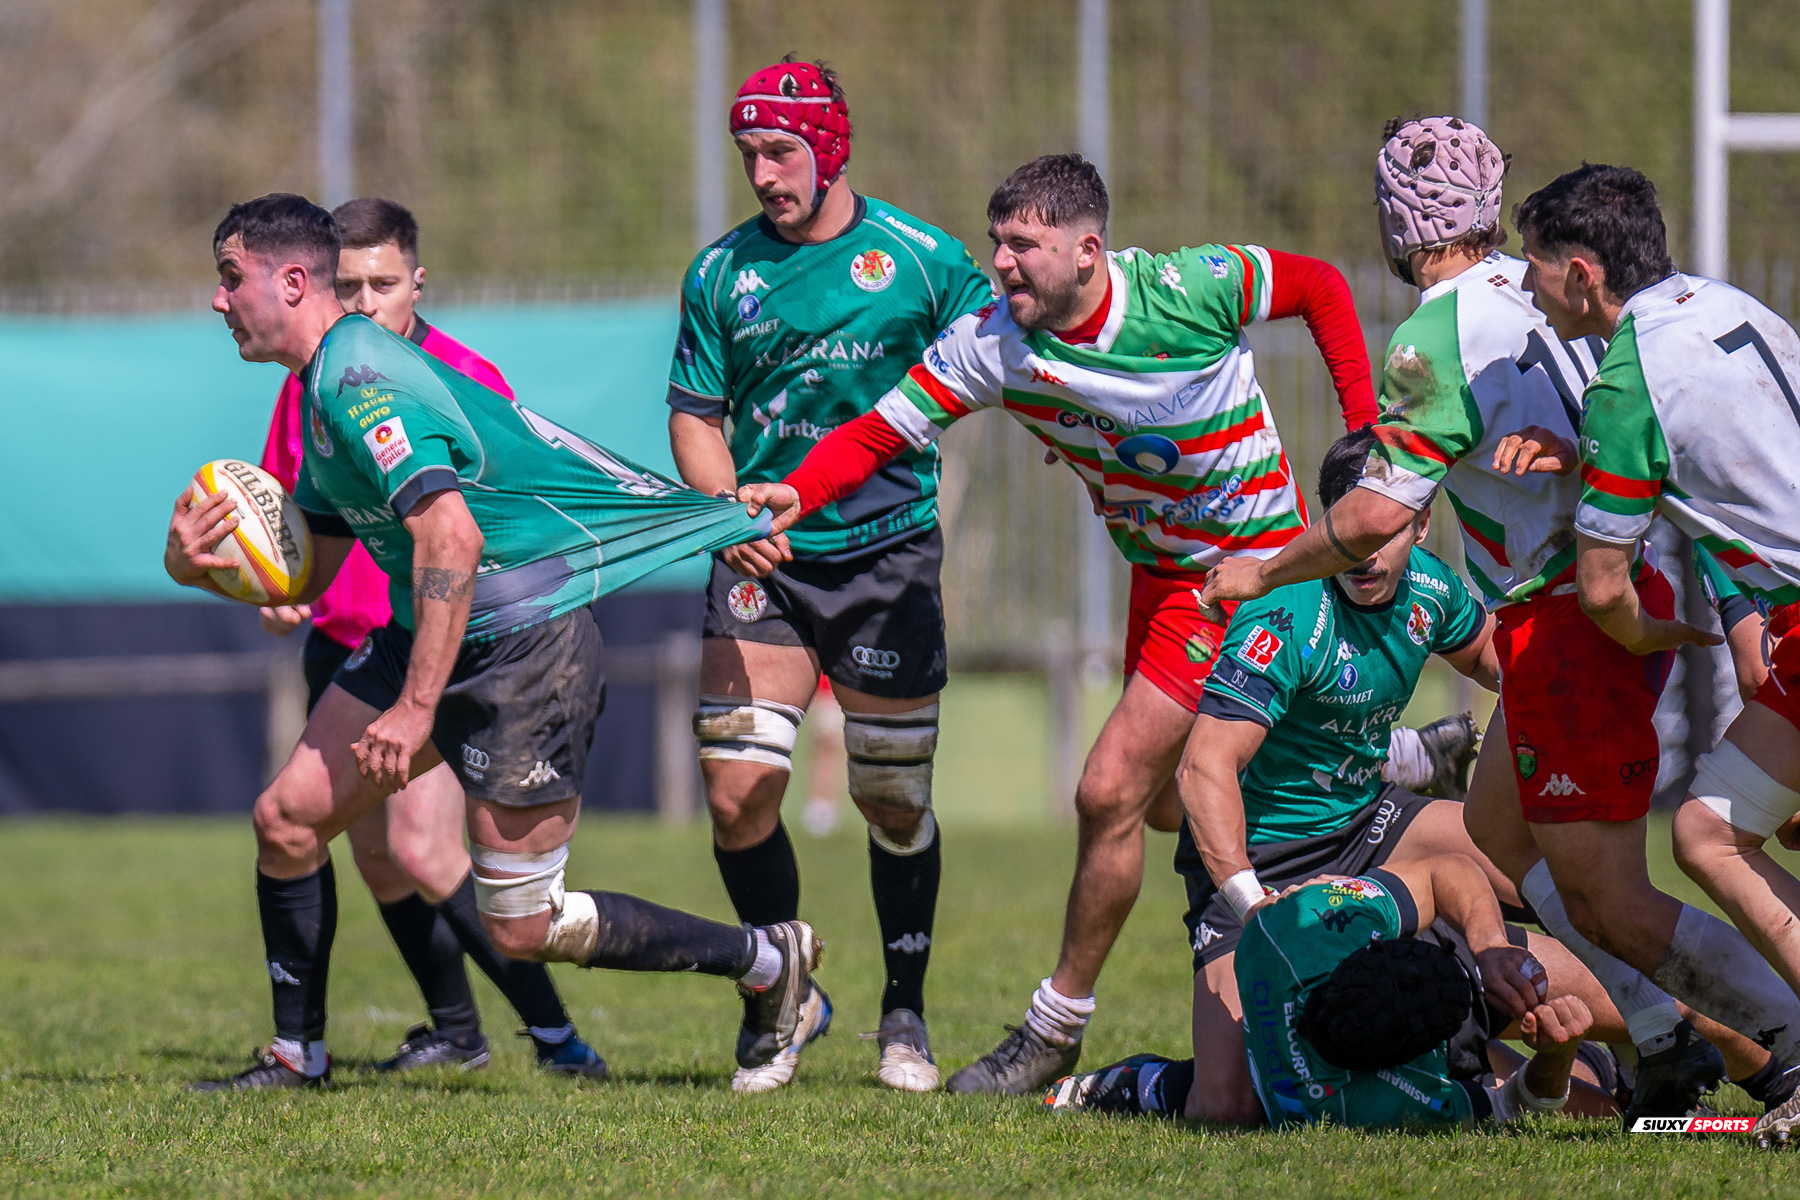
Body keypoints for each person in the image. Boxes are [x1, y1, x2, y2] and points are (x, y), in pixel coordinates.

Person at [738, 150, 1476, 1095]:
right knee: (1171, 808)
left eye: (1024, 247)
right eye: (996, 243)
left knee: (1107, 792)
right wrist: (797, 493)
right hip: (1161, 577)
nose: (1002, 265)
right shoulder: (993, 343)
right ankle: (1395, 761)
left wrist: (1371, 439)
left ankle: (1056, 1024)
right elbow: (882, 431)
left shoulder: (1184, 289)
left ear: (1089, 251)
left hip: (1243, 575)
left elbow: (1323, 287)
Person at [1197, 120, 1800, 1120]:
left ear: (1396, 225)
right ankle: (1662, 1037)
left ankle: (1770, 1057)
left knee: (1622, 888)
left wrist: (1259, 574)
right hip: (1620, 595)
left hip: (1577, 621)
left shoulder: (1438, 331)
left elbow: (1375, 515)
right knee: (1493, 827)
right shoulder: (1593, 299)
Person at [167, 193, 821, 1090]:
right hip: (426, 628)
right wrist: (195, 564)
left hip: (525, 643)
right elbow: (314, 569)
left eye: (227, 278)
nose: (217, 300)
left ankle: (768, 961)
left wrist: (414, 708)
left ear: (288, 280)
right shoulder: (317, 387)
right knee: (287, 821)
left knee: (520, 921)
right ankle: (295, 1054)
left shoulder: (361, 378)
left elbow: (452, 539)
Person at [1046, 432, 1789, 1123]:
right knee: (1231, 1105)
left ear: (1421, 526)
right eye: (1353, 532)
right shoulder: (1281, 615)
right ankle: (1143, 1082)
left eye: (1388, 532)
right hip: (1262, 859)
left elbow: (1523, 675)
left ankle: (1764, 1064)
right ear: (1325, 525)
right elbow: (1205, 768)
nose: (1368, 555)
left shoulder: (1431, 591)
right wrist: (1253, 901)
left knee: (1591, 894)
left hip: (1371, 826)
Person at [667, 57, 994, 1092]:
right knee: (736, 792)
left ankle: (905, 1014)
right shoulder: (720, 273)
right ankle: (783, 996)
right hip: (764, 557)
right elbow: (695, 413)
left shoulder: (921, 259)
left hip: (888, 553)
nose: (763, 173)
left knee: (893, 800)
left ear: (832, 146)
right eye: (749, 154)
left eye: (781, 151)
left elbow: (1011, 352)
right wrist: (726, 512)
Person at [256, 196, 602, 1076]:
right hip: (347, 638)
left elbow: (476, 521)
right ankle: (456, 1030)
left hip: (438, 645)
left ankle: (558, 1038)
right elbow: (295, 513)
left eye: (383, 282)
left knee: (422, 846)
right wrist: (270, 581)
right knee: (368, 850)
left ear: (418, 281)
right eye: (350, 284)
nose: (366, 301)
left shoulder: (456, 374)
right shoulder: (312, 378)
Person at [1497, 163, 1800, 1143]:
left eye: (1535, 267)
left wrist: (1653, 638)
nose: (1528, 288)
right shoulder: (1723, 302)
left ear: (1583, 272)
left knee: (1709, 834)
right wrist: (1591, 451)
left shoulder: (1628, 373)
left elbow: (1601, 583)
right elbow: (1732, 447)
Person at [1053, 858, 1623, 1127]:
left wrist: (1489, 946)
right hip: (1428, 1018)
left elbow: (1439, 873)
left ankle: (1143, 1084)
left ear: (1365, 952)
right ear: (1409, 1063)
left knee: (1223, 1101)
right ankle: (1611, 1067)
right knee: (1606, 1112)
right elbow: (1516, 1107)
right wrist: (1556, 1056)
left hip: (1429, 952)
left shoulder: (1288, 933)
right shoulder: (1369, 1105)